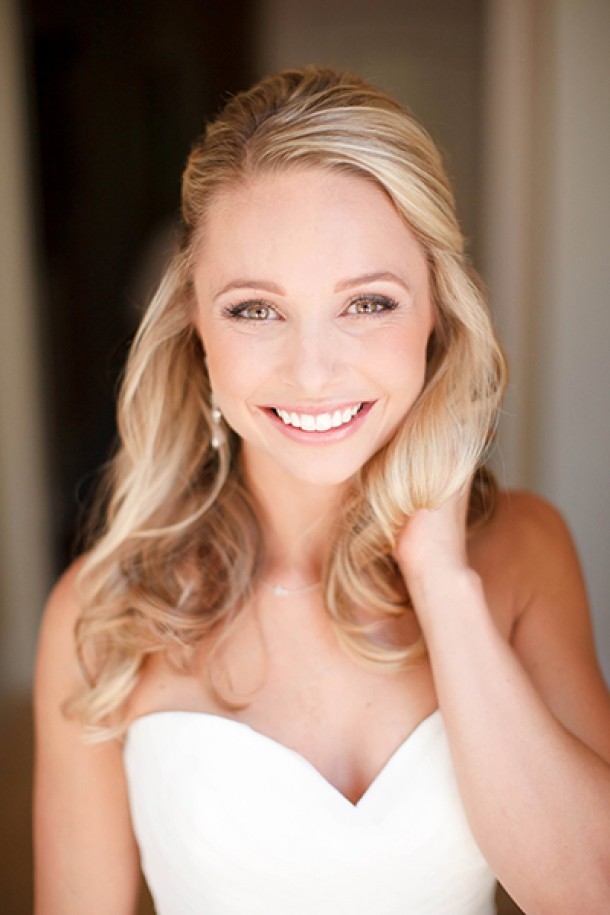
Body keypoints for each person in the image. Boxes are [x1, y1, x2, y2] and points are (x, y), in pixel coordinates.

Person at [33, 66, 610, 915]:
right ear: (195, 328)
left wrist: (441, 579)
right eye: (255, 309)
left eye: (368, 303)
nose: (311, 372)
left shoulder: (524, 553)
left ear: (437, 314)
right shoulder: (103, 616)